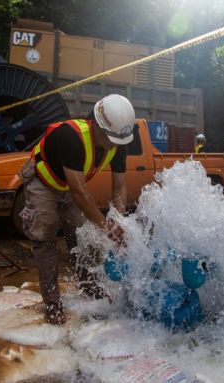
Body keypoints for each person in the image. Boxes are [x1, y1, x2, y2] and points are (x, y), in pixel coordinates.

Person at [18, 94, 135, 325]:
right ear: (96, 125)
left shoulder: (118, 140)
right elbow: (80, 193)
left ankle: (88, 285)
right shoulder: (70, 137)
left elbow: (120, 186)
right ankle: (52, 301)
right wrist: (105, 227)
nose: (114, 144)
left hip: (68, 185)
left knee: (80, 235)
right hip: (43, 182)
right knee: (45, 234)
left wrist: (118, 220)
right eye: (110, 138)